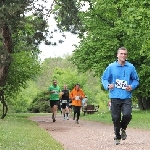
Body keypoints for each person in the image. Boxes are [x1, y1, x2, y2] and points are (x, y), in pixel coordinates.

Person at [101, 47, 139, 145]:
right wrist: (107, 85)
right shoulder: (111, 67)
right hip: (114, 96)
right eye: (121, 53)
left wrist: (132, 86)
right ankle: (117, 136)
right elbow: (104, 78)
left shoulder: (131, 67)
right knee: (115, 117)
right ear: (117, 55)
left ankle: (123, 128)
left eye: (125, 54)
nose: (123, 55)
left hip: (126, 96)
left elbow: (136, 80)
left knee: (127, 115)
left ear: (127, 55)